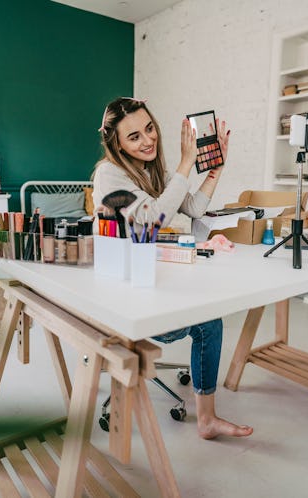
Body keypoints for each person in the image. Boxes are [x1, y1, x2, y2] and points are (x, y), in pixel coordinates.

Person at [91, 97, 253, 440]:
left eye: (149, 129)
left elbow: (193, 207)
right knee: (207, 322)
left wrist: (214, 171)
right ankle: (206, 418)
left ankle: (207, 418)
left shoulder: (153, 170)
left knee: (210, 315)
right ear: (116, 143)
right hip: (123, 294)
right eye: (134, 137)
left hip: (151, 277)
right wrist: (185, 164)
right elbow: (153, 217)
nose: (148, 140)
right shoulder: (108, 174)